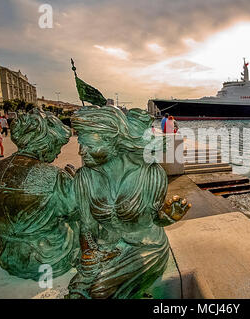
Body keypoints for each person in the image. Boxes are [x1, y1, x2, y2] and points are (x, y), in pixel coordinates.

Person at [67, 106, 190, 299]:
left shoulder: (151, 175)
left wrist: (167, 217)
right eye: (81, 143)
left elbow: (154, 221)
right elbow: (87, 227)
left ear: (114, 141)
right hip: (106, 244)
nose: (81, 151)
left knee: (100, 292)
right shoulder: (84, 178)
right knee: (77, 292)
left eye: (90, 145)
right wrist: (89, 252)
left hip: (145, 245)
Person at [0, 109, 80, 280]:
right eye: (57, 145)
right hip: (51, 259)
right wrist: (74, 183)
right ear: (45, 142)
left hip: (8, 255)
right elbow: (76, 212)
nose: (59, 153)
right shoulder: (56, 177)